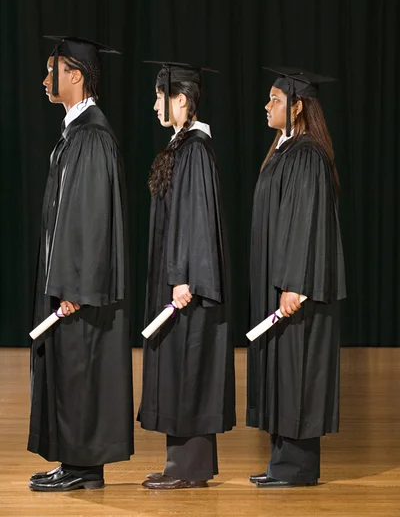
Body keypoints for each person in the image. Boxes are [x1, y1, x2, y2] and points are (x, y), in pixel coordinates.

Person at [28, 36, 133, 492]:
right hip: (70, 284)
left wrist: (75, 285)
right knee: (69, 371)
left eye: (52, 70)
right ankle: (73, 461)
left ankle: (84, 467)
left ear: (76, 75)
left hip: (80, 290)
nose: (45, 78)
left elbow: (91, 220)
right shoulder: (78, 131)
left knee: (82, 370)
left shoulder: (91, 136)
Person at [138, 61, 236, 490]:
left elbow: (193, 219)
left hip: (187, 285)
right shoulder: (183, 146)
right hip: (180, 280)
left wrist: (182, 277)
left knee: (190, 368)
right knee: (178, 368)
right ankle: (181, 466)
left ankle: (189, 469)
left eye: (161, 95)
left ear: (181, 100)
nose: (155, 103)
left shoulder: (195, 149)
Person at [247, 67, 346, 488]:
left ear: (298, 106)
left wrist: (294, 282)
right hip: (279, 286)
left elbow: (305, 223)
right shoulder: (286, 150)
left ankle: (297, 468)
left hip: (295, 291)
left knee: (298, 373)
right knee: (282, 373)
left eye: (275, 99)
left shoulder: (306, 154)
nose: (267, 105)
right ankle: (281, 463)